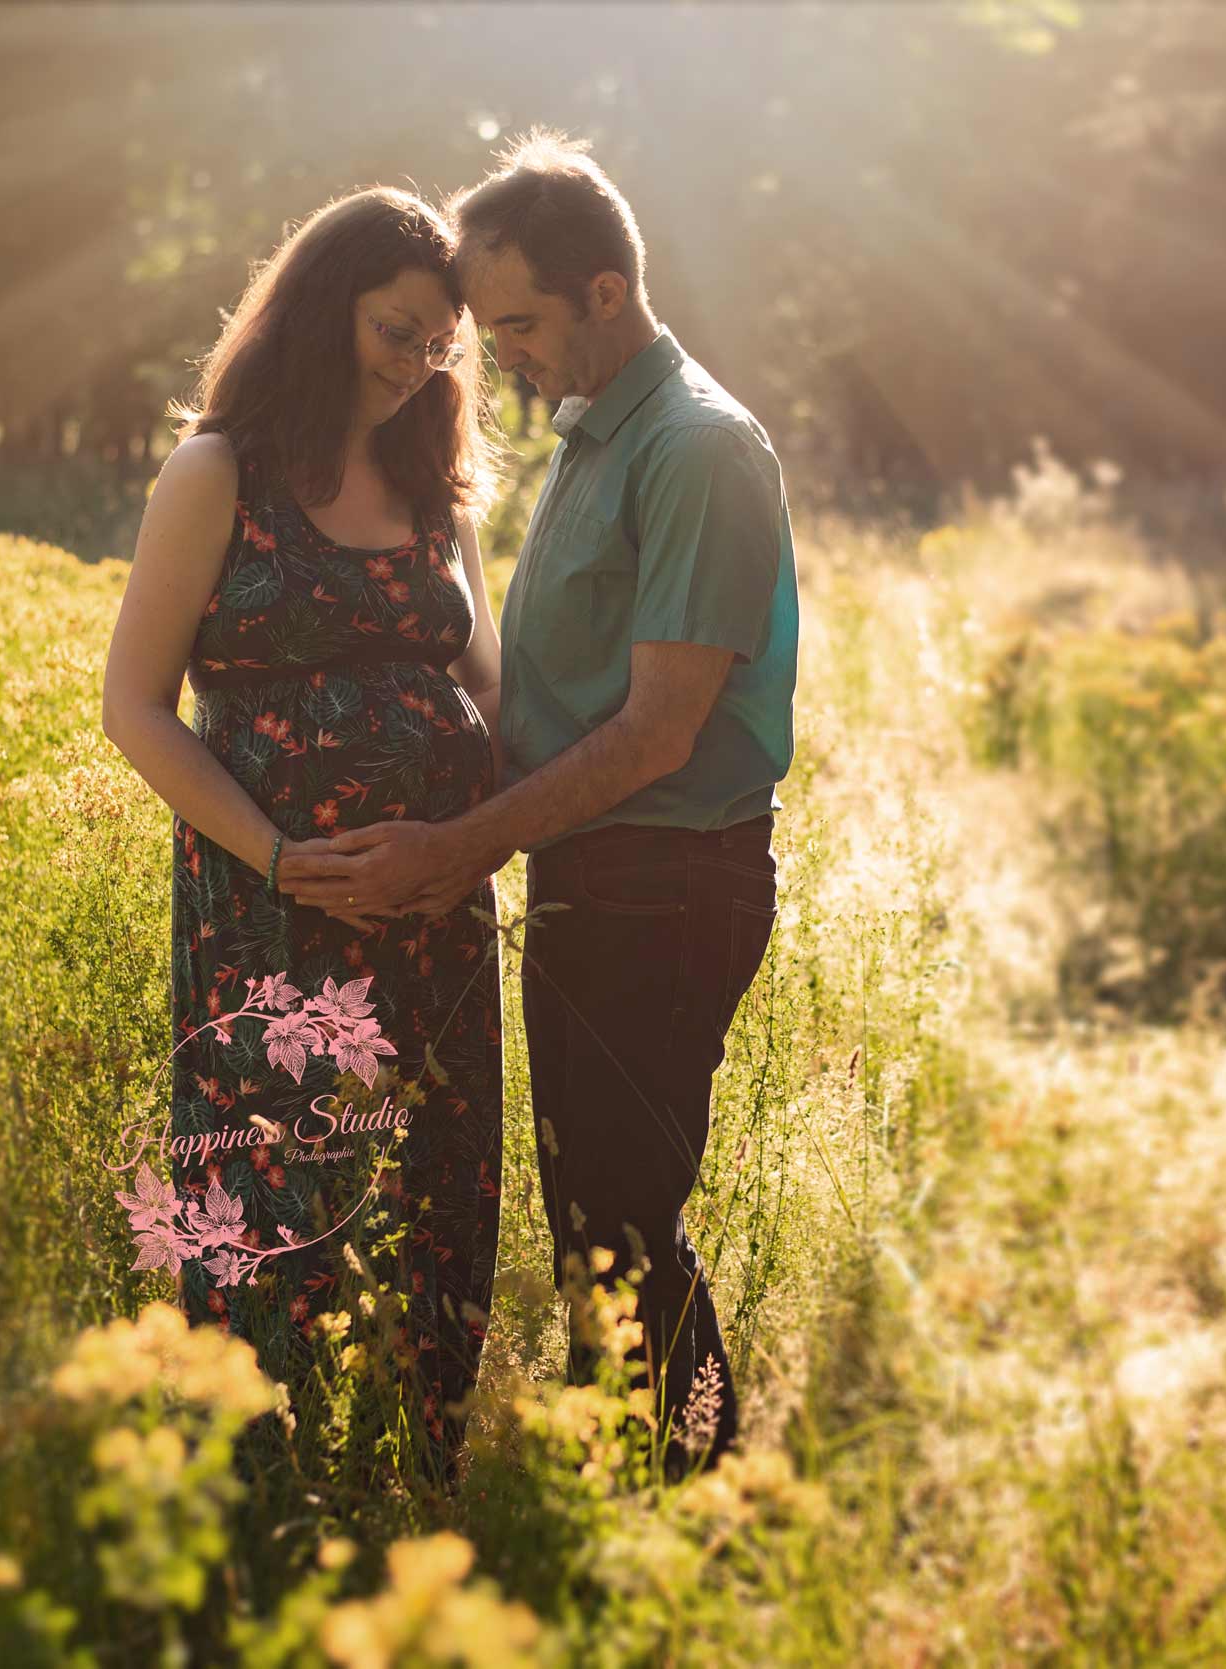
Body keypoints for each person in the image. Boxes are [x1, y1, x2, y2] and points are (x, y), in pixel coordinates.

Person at [278, 133, 799, 1481]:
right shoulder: (594, 436)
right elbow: (547, 698)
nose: (497, 352)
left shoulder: (695, 449)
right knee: (592, 1217)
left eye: (518, 323)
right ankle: (621, 1489)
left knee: (621, 1217)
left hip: (665, 884)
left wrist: (457, 847)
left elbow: (653, 734)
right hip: (596, 883)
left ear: (605, 293)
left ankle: (687, 1499)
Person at [98, 186, 509, 1491]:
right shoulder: (218, 473)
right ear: (322, 309)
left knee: (432, 1196)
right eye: (397, 329)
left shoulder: (436, 488)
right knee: (277, 1214)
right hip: (269, 926)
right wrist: (278, 854)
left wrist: (471, 829)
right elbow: (132, 706)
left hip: (435, 920)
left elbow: (487, 684)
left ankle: (410, 1488)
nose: (418, 362)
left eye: (440, 344)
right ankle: (252, 1494)